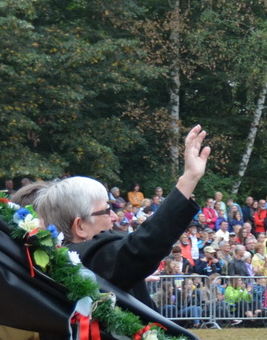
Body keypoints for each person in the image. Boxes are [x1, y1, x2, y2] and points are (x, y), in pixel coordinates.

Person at [33, 125, 209, 308]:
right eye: (105, 210)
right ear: (80, 226)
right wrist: (188, 179)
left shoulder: (68, 261)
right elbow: (141, 247)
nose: (115, 217)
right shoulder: (81, 258)